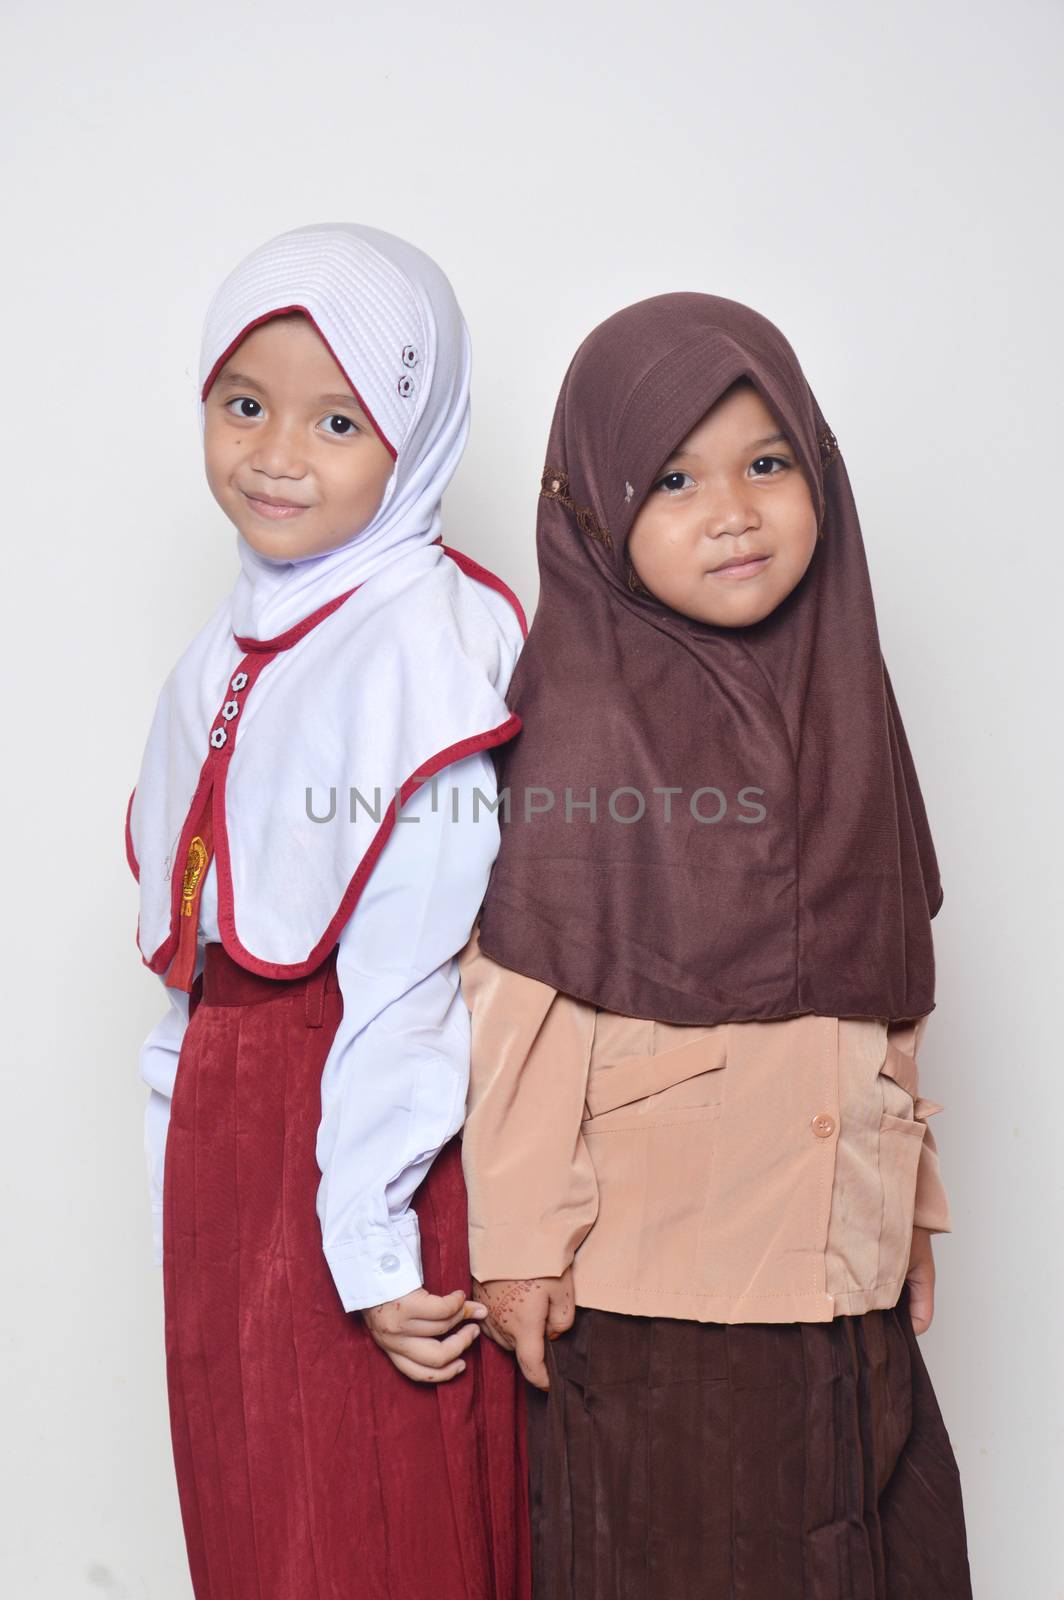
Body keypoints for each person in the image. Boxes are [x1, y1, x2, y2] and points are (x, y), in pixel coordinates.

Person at [458, 293, 973, 1598]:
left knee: (883, 1552)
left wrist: (904, 1206)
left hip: (840, 1281)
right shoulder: (585, 718)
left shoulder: (848, 699)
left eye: (765, 462)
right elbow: (522, 1000)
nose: (732, 509)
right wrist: (518, 1243)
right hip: (662, 1297)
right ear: (600, 507)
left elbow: (890, 974)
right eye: (674, 478)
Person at [125, 222, 531, 1599]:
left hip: (366, 1138)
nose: (276, 453)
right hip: (236, 1155)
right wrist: (177, 1162)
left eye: (340, 417)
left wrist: (369, 1240)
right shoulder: (221, 648)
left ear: (415, 437)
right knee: (252, 1517)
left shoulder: (429, 636)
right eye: (244, 403)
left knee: (370, 1524)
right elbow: (190, 961)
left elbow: (410, 969)